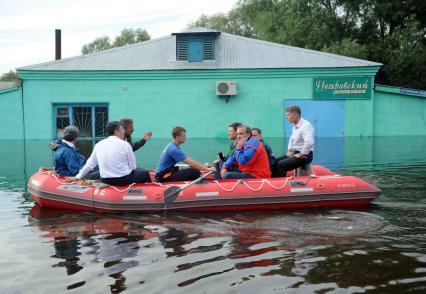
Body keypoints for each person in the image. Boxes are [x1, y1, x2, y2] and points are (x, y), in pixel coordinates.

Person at [67, 121, 151, 186]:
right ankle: (147, 193)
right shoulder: (125, 144)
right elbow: (133, 166)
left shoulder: (98, 144)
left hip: (105, 179)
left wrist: (77, 177)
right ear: (116, 132)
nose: (123, 131)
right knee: (145, 173)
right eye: (122, 129)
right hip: (124, 179)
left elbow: (90, 165)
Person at [273, 105, 315, 177]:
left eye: (288, 115)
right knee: (275, 161)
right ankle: (270, 180)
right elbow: (292, 138)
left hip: (305, 156)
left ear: (295, 115)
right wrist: (289, 150)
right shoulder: (295, 126)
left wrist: (302, 153)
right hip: (295, 153)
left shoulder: (306, 125)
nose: (286, 117)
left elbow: (309, 142)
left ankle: (278, 185)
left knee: (281, 164)